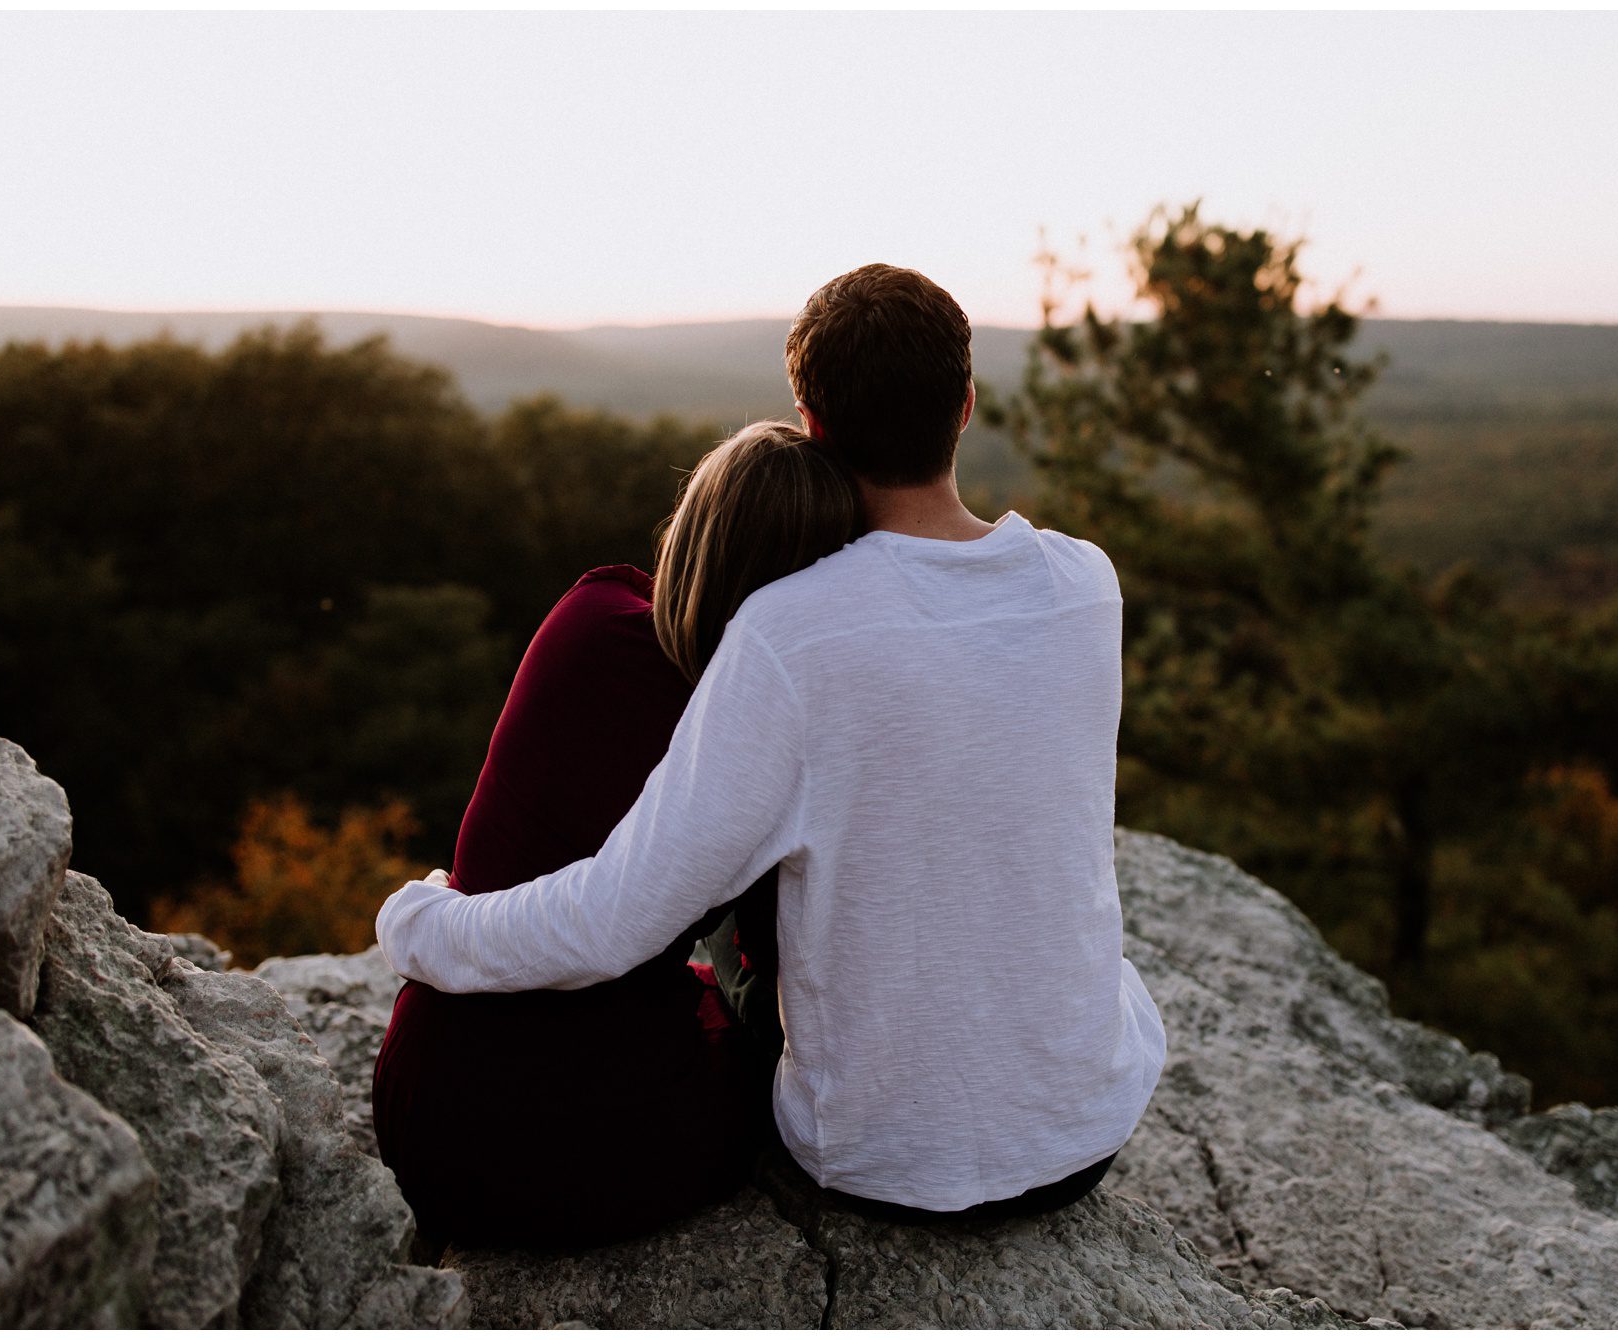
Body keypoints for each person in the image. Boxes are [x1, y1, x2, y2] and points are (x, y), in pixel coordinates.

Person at [379, 263, 1166, 1221]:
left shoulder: (790, 632)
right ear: (965, 405)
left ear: (811, 420)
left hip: (884, 1164)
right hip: (1084, 1134)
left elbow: (613, 921)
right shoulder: (1087, 585)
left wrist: (425, 925)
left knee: (742, 873)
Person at [370, 420, 856, 1248]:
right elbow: (783, 970)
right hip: (584, 1143)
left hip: (423, 1097)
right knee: (765, 1061)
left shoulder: (590, 608)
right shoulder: (750, 729)